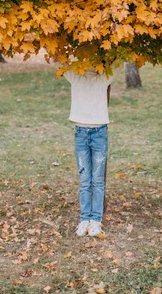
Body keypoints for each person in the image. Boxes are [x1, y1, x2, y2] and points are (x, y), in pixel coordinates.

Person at [63, 66, 117, 237]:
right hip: (80, 133)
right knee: (85, 179)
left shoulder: (104, 77)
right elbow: (59, 62)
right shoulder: (75, 76)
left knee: (98, 180)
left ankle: (96, 220)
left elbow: (119, 62)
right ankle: (84, 218)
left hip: (99, 133)